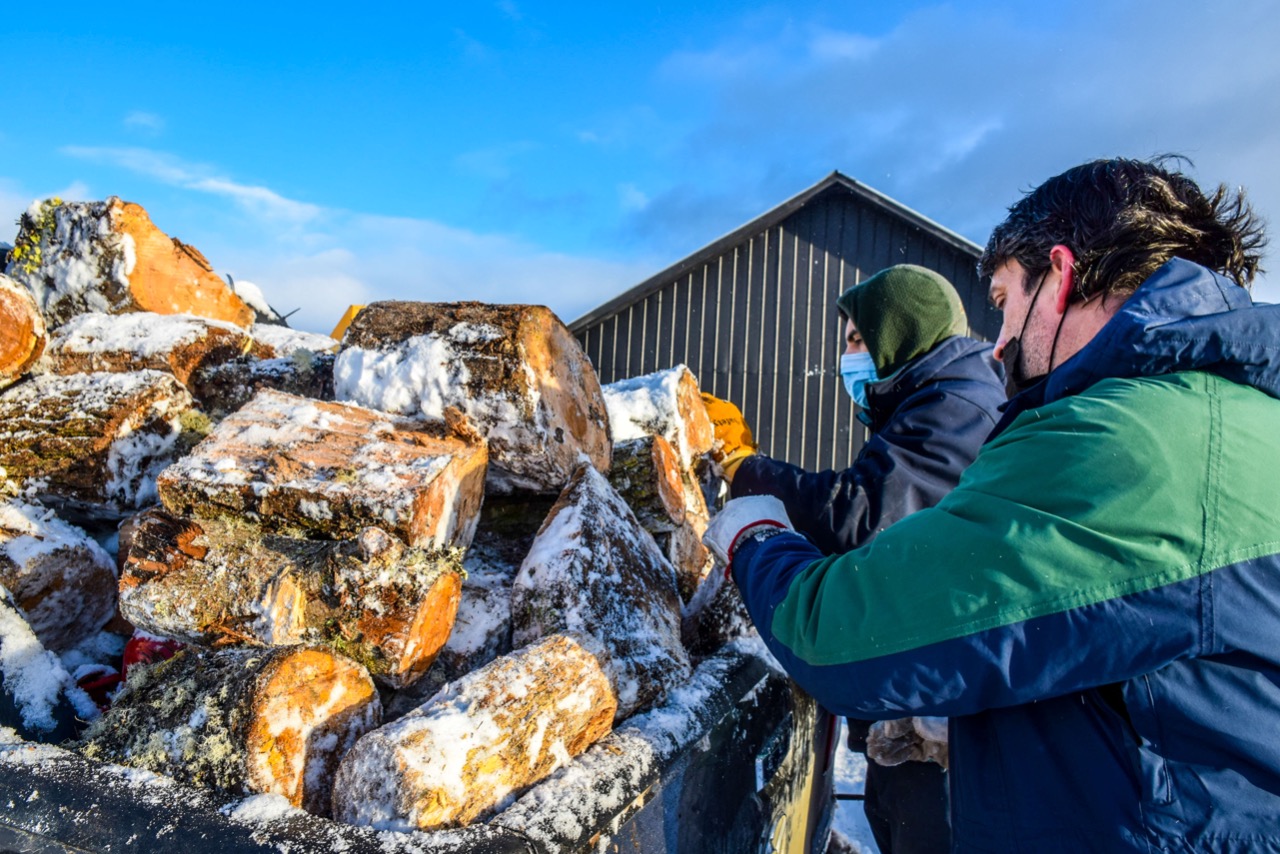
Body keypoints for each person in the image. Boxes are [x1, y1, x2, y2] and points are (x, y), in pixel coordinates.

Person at [704, 156, 1277, 852]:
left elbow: (841, 638)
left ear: (1060, 276)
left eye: (1005, 300)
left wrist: (756, 536)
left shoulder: (1121, 438)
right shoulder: (1241, 416)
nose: (998, 341)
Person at [703, 264, 1006, 854]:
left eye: (857, 340)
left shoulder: (956, 406)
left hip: (941, 731)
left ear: (902, 333)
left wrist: (748, 474)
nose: (847, 356)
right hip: (923, 716)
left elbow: (864, 519)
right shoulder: (939, 400)